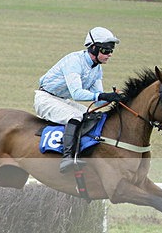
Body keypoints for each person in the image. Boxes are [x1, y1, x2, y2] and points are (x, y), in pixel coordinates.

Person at [35, 27, 123, 173]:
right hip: (45, 99)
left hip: (61, 99)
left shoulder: (97, 69)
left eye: (111, 51)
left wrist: (114, 98)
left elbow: (98, 101)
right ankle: (67, 158)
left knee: (93, 116)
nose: (110, 55)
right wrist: (102, 96)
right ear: (94, 48)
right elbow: (77, 94)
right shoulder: (74, 61)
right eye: (106, 51)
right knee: (76, 116)